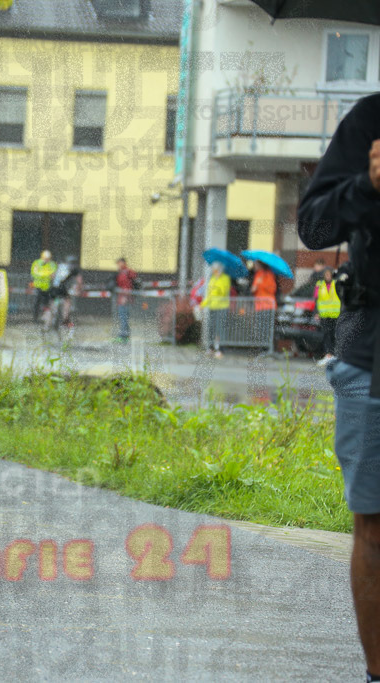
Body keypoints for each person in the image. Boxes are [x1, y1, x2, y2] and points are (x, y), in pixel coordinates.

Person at [297, 90, 380, 683]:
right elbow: (314, 223)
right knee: (374, 521)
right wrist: (369, 187)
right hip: (371, 349)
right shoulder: (372, 121)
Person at [201, 261, 230, 358]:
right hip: (212, 306)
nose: (214, 272)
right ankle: (210, 348)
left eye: (216, 270)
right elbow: (209, 294)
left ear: (220, 270)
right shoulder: (212, 279)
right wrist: (203, 304)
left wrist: (217, 287)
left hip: (222, 307)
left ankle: (221, 349)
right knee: (211, 328)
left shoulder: (225, 278)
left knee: (220, 328)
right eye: (213, 270)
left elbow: (223, 291)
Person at [315, 267, 341, 366]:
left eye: (329, 274)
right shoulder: (319, 285)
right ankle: (328, 354)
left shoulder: (336, 284)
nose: (328, 276)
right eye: (326, 275)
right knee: (326, 335)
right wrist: (316, 312)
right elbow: (316, 299)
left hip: (335, 314)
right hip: (324, 314)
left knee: (334, 335)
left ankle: (335, 355)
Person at [249, 260, 277, 349]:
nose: (255, 266)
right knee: (260, 327)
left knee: (266, 327)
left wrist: (262, 284)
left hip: (268, 305)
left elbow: (272, 289)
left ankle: (267, 347)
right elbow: (253, 289)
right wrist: (256, 285)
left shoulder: (269, 275)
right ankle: (261, 345)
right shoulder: (258, 275)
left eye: (256, 265)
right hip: (259, 306)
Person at [112, 257, 139, 341]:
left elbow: (132, 284)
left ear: (123, 263)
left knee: (124, 317)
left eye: (119, 263)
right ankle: (125, 335)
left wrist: (128, 297)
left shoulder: (128, 272)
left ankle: (124, 335)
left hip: (126, 298)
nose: (118, 265)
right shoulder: (120, 273)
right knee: (123, 317)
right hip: (121, 298)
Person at [31, 250, 57, 324]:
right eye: (45, 258)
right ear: (42, 257)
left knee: (46, 303)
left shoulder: (52, 264)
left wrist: (43, 274)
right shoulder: (37, 263)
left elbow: (53, 275)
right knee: (37, 303)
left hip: (48, 287)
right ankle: (35, 318)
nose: (47, 260)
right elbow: (34, 273)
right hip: (38, 286)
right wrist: (47, 275)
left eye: (48, 258)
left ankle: (44, 318)